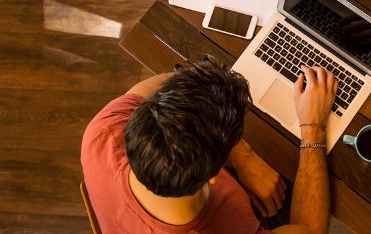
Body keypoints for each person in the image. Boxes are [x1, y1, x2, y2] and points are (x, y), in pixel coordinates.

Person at [81, 55, 337, 234]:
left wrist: (242, 153)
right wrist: (313, 127)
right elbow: (310, 230)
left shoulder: (103, 131)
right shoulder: (222, 226)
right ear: (214, 176)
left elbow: (167, 86)